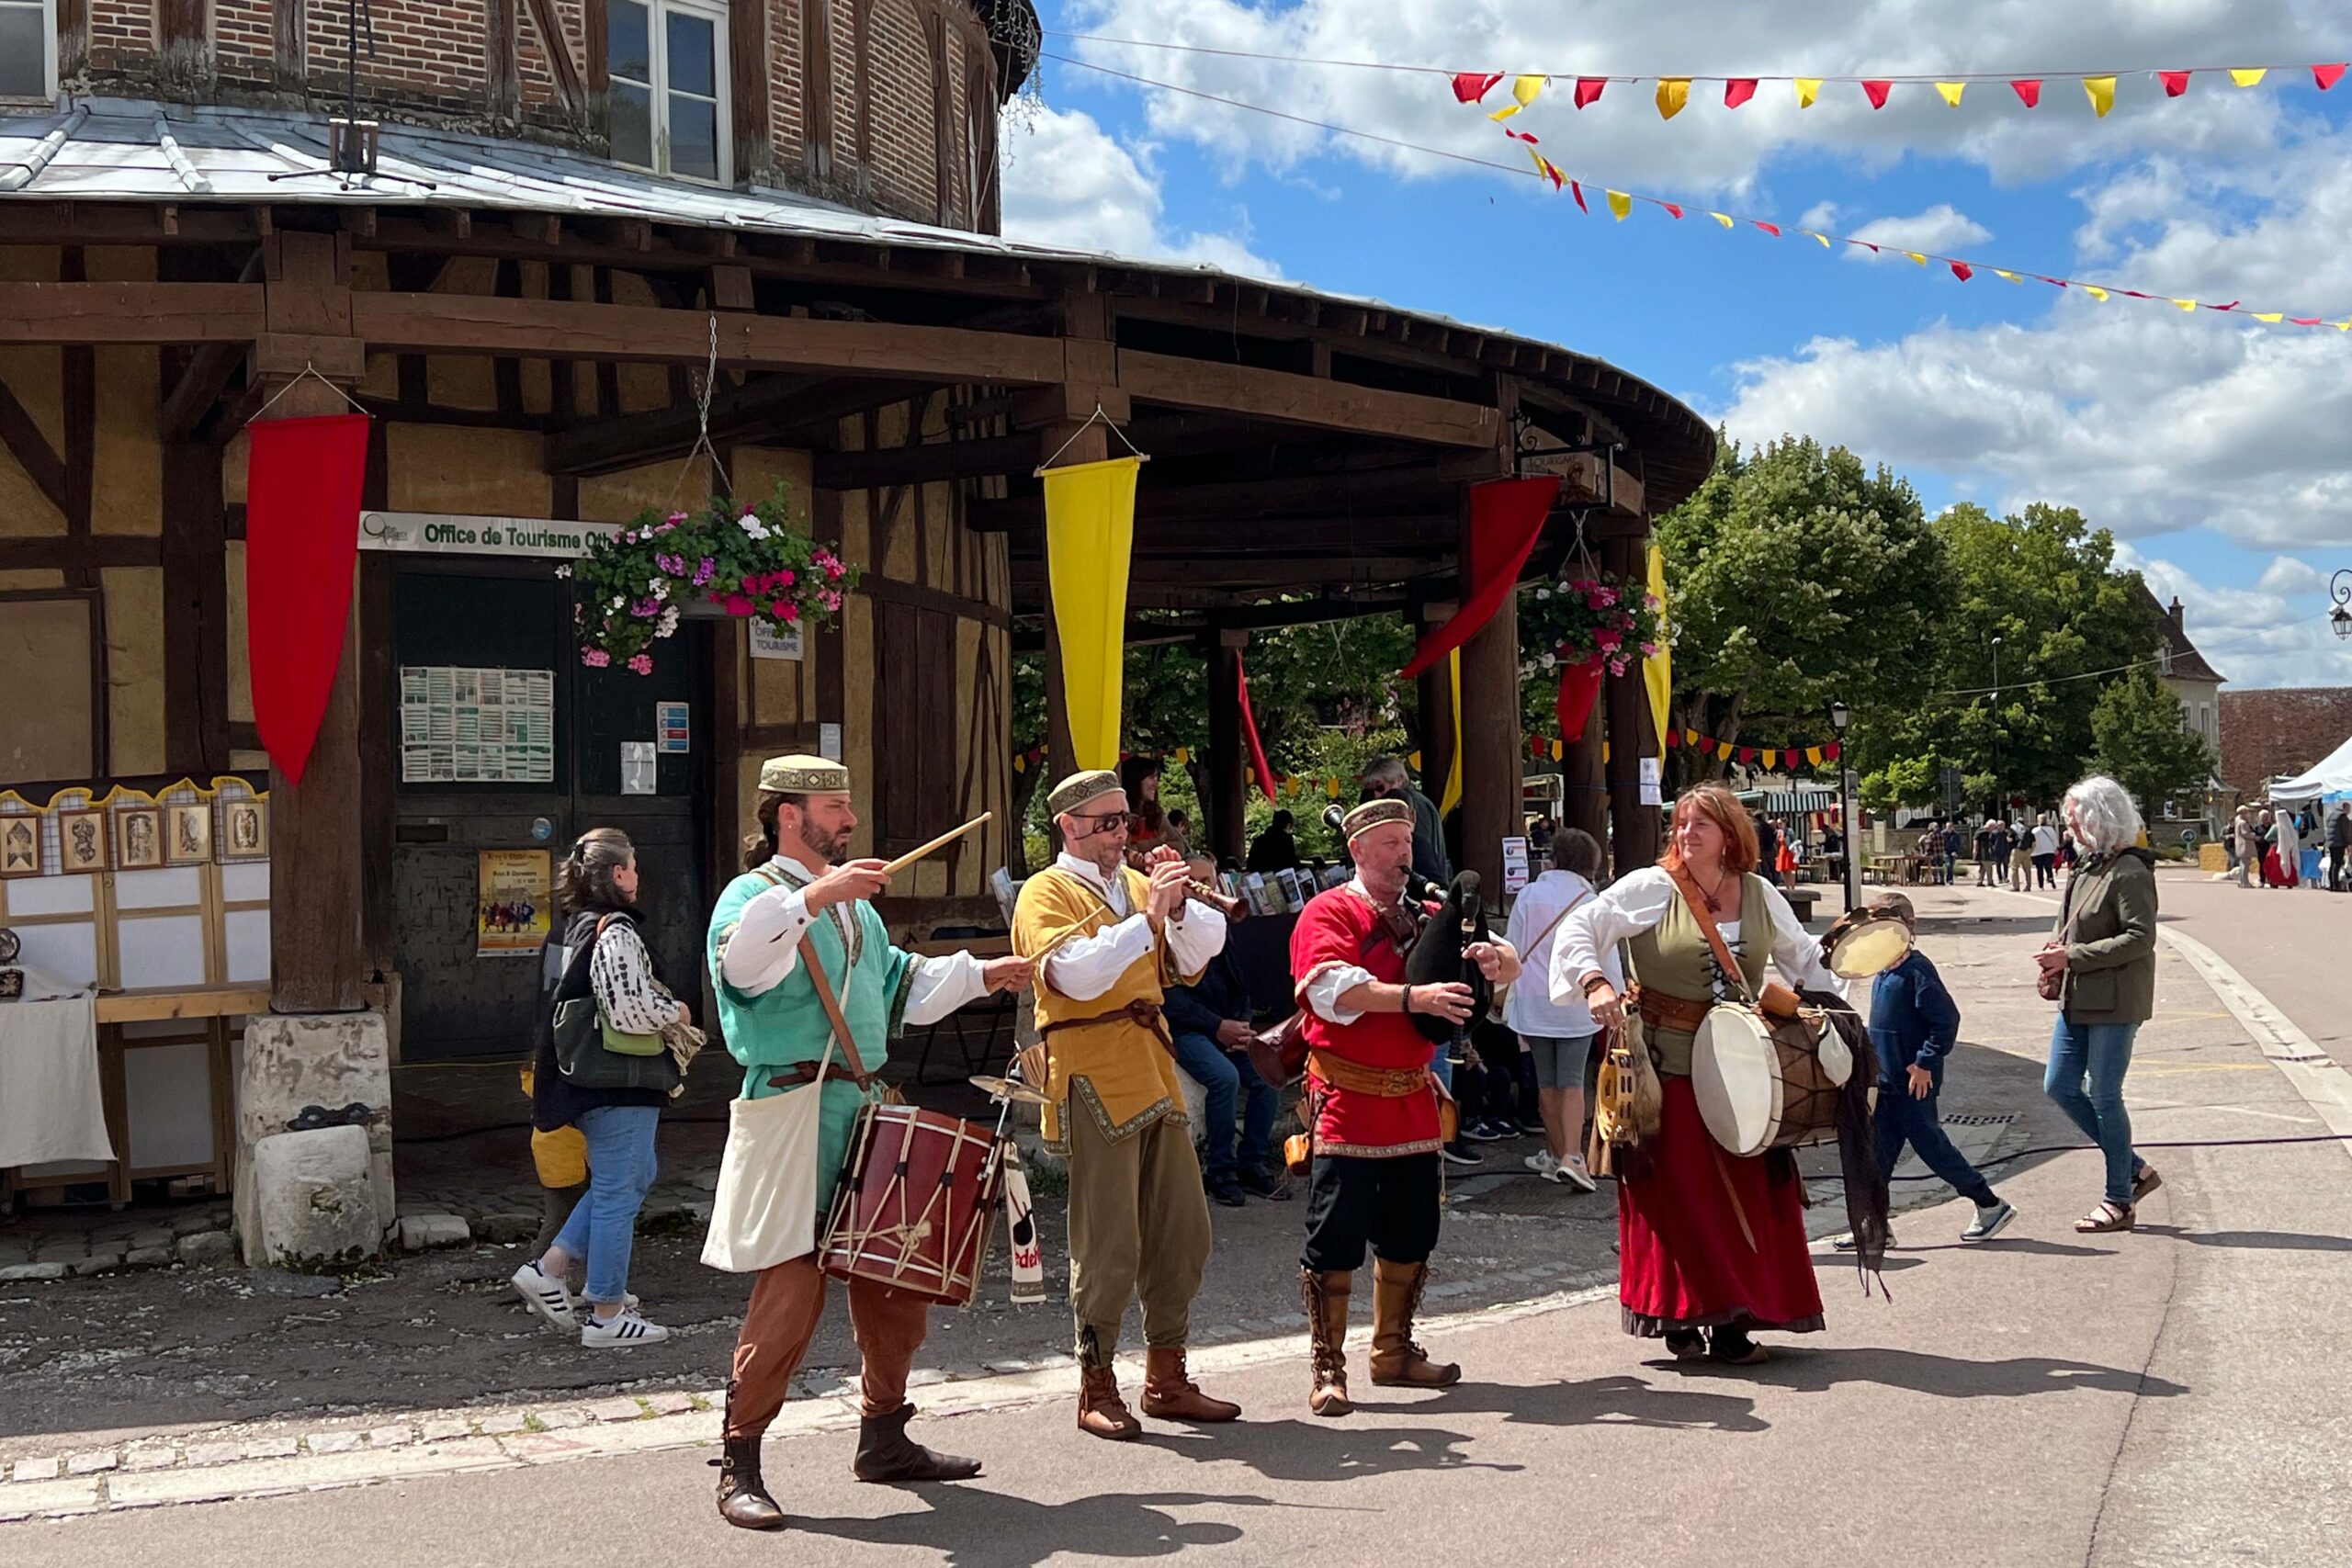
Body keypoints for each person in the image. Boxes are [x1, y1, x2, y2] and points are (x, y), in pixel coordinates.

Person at [705, 757, 1035, 1529]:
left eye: (848, 806)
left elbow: (900, 986)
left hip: (863, 1105)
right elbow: (743, 968)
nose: (850, 821)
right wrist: (816, 897)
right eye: (835, 807)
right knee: (791, 1290)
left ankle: (884, 1435)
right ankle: (740, 1456)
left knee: (896, 1275)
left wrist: (984, 974)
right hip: (792, 1107)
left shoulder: (858, 911)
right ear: (789, 816)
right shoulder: (751, 897)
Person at [1558, 784, 1849, 1366]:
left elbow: (1808, 962)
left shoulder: (1761, 894)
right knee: (1683, 1193)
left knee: (1750, 1191)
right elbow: (1578, 929)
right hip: (1669, 1065)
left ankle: (1736, 1316)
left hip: (1749, 1070)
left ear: (1730, 835)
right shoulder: (1651, 887)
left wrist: (1849, 990)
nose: (1687, 834)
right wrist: (1593, 981)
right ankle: (1686, 1314)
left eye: (1701, 825)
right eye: (1682, 824)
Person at [1013, 770, 1240, 1439]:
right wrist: (1148, 919)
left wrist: (1179, 904)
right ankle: (1096, 1381)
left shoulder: (1137, 886)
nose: (1122, 833)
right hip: (1091, 1070)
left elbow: (1201, 950)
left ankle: (1167, 1376)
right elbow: (1075, 975)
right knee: (1108, 1240)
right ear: (1069, 827)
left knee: (1183, 1231)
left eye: (1125, 821)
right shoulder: (1044, 891)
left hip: (1152, 1066)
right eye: (1108, 822)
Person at [1294, 798, 1521, 1416]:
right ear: (1357, 850)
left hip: (1414, 1099)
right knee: (1335, 1234)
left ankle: (1392, 1350)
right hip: (1347, 1097)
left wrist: (1494, 960)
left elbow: (1509, 959)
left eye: (1407, 842)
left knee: (1414, 1229)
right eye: (1390, 843)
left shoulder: (1427, 911)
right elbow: (1329, 989)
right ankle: (1328, 1366)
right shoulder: (1329, 911)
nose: (1403, 854)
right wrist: (1413, 996)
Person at [510, 829, 686, 1348]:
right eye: (632, 866)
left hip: (576, 1074)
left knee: (631, 1176)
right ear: (617, 873)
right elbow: (629, 1010)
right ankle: (607, 1313)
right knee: (616, 1190)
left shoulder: (568, 928)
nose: (637, 875)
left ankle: (552, 1267)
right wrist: (676, 1012)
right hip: (618, 1078)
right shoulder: (616, 930)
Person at [2038, 775, 2162, 1235]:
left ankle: (2119, 1199)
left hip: (2116, 1000)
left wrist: (2071, 957)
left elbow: (2140, 938)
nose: (2068, 826)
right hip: (2078, 996)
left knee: (2105, 1095)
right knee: (2059, 1085)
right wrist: (2054, 958)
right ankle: (2133, 1168)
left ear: (2098, 818)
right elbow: (2069, 927)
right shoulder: (2086, 867)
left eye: (2075, 818)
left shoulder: (2130, 870)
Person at [1855, 894, 2016, 1244]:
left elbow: (1945, 1021)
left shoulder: (1917, 970)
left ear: (1905, 928)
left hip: (1914, 1083)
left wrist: (1925, 1062)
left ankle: (1989, 1204)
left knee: (1934, 1150)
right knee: (1877, 1156)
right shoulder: (1884, 971)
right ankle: (1875, 1223)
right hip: (1887, 1082)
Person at [1162, 854, 1288, 1207]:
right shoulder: (1166, 926)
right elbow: (1171, 1000)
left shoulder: (1216, 922)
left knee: (1267, 1075)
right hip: (1186, 1029)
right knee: (1224, 1078)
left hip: (1225, 1025)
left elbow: (1238, 984)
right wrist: (1218, 1027)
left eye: (1210, 881)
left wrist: (1242, 1025)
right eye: (1195, 882)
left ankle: (1252, 1162)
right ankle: (1220, 1170)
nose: (1205, 890)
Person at [1505, 827, 1611, 1190]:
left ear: (1554, 858)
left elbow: (1513, 948)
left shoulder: (1529, 894)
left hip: (1534, 1001)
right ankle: (1573, 1157)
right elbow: (1606, 955)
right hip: (1577, 1000)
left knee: (1546, 1082)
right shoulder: (1592, 901)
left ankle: (1554, 1155)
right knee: (1572, 1081)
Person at [1359, 755, 1451, 887]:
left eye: (1380, 788)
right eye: (1370, 791)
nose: (1375, 796)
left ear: (1400, 780)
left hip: (1422, 882)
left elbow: (1420, 850)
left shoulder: (1414, 804)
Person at [1247, 809, 1301, 874]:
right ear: (1288, 825)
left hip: (1259, 877)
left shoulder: (1259, 840)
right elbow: (1293, 863)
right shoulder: (1286, 842)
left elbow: (1250, 864)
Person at [2232, 806, 2258, 888]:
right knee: (2245, 865)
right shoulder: (2243, 823)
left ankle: (2243, 881)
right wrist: (2254, 836)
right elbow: (2245, 834)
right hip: (2245, 846)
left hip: (2240, 846)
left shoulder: (2237, 821)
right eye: (2247, 812)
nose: (2248, 814)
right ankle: (2245, 882)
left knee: (2243, 864)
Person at [1753, 811, 1781, 888]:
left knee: (1764, 868)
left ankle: (1767, 885)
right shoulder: (1767, 826)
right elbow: (1773, 836)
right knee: (1772, 867)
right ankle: (1774, 883)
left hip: (1762, 850)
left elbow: (1757, 839)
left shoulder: (1756, 826)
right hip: (1770, 849)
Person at [2031, 815, 2061, 889]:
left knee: (2039, 868)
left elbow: (2032, 841)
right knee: (2048, 867)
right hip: (2049, 850)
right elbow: (2055, 840)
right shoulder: (2051, 829)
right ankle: (2050, 878)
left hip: (2037, 851)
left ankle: (2041, 884)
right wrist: (2056, 848)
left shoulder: (2034, 830)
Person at [2329, 804, 2351, 893]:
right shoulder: (2342, 817)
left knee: (2333, 863)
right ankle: (2336, 885)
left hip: (2331, 842)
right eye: (2349, 809)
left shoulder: (2333, 815)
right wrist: (2349, 843)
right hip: (2339, 843)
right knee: (2337, 863)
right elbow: (2346, 832)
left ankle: (2332, 884)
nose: (2350, 811)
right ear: (2345, 808)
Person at [1973, 819, 1996, 887]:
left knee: (1983, 868)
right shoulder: (1982, 832)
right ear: (1990, 826)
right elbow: (1975, 841)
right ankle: (1990, 882)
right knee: (1989, 867)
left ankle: (1979, 881)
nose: (1993, 829)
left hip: (1985, 852)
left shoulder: (1984, 832)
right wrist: (1975, 850)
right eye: (1993, 827)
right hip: (1983, 852)